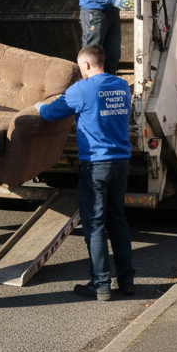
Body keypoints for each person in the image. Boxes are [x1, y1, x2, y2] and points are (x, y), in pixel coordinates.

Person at [37, 44, 134, 300]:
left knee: (94, 225)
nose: (81, 72)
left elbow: (50, 114)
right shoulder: (122, 86)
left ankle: (101, 285)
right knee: (118, 222)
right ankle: (126, 280)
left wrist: (38, 107)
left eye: (81, 68)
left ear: (87, 65)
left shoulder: (82, 89)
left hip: (96, 167)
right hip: (121, 164)